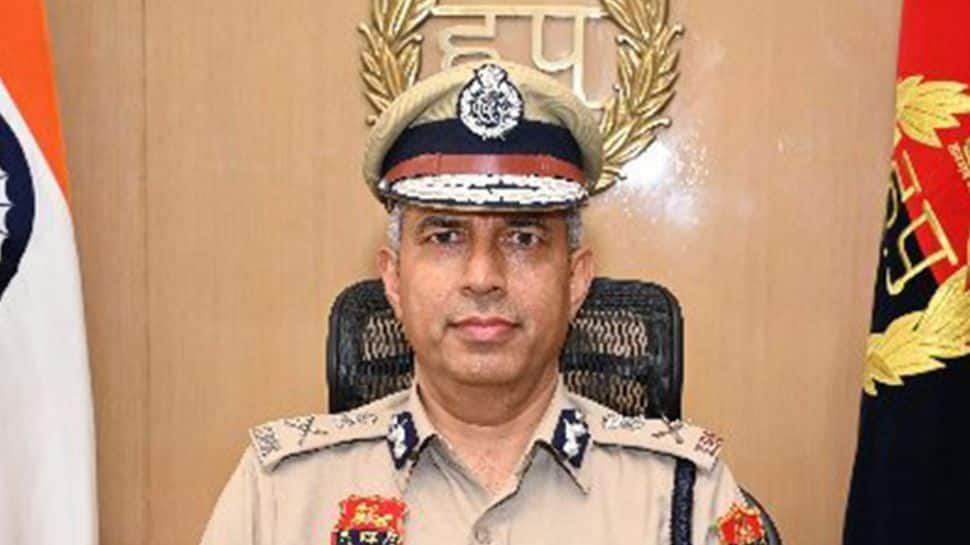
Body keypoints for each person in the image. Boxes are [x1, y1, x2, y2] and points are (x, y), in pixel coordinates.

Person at [199, 60, 767, 545]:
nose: (483, 277)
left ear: (575, 280)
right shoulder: (279, 498)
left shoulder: (686, 501)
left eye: (523, 238)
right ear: (393, 279)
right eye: (445, 236)